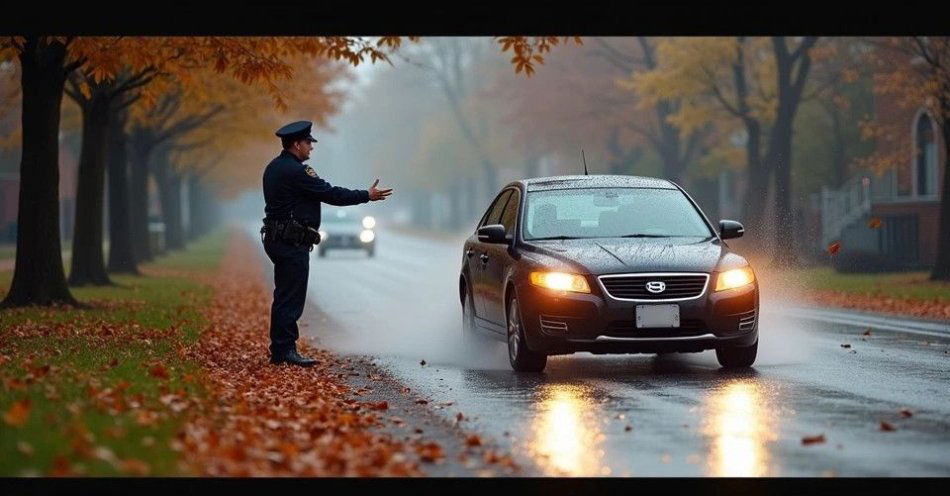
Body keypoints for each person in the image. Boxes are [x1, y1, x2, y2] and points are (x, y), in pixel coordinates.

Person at [260, 120, 392, 367]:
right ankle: (284, 351)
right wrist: (366, 195)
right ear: (296, 144)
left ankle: (281, 349)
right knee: (290, 297)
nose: (311, 147)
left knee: (284, 294)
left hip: (278, 238)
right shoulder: (297, 172)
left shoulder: (273, 168)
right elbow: (331, 194)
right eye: (308, 142)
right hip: (290, 241)